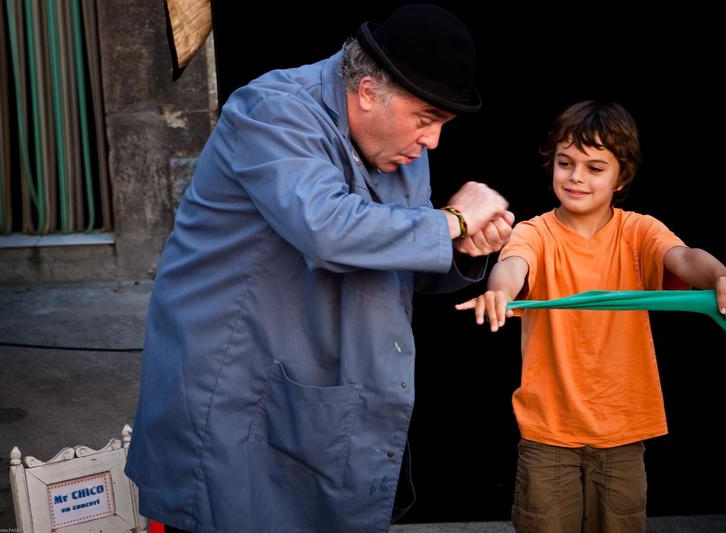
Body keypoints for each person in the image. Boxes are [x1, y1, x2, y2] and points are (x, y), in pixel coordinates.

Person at [124, 4, 514, 533]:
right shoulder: (271, 111)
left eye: (441, 124)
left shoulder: (400, 147)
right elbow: (328, 229)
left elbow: (392, 256)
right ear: (369, 90)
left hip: (318, 392)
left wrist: (465, 247)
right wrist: (450, 221)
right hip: (232, 384)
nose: (433, 142)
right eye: (426, 120)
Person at [457, 100, 726, 532]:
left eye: (595, 167)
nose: (576, 177)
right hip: (547, 433)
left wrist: (723, 276)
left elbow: (685, 257)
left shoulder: (639, 231)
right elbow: (512, 266)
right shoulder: (535, 232)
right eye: (565, 163)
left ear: (623, 177)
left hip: (623, 431)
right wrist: (498, 293)